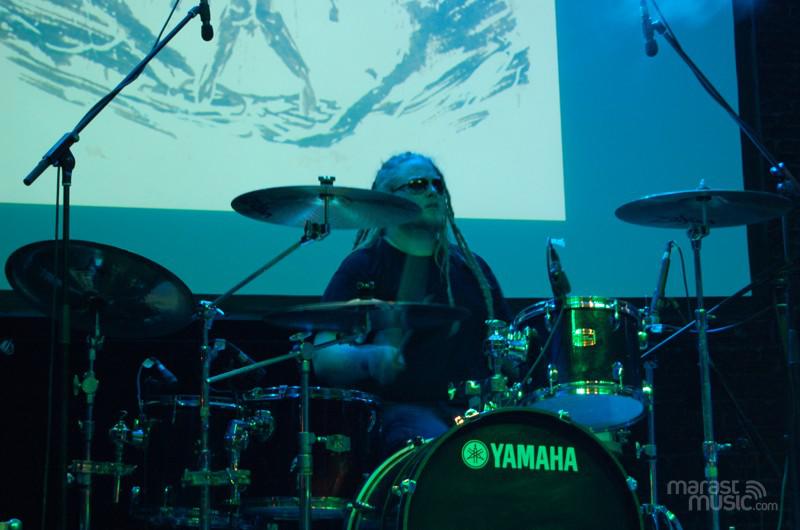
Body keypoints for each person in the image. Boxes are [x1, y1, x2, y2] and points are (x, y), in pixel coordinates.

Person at [313, 152, 511, 456]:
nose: (432, 192)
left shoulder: (473, 269)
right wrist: (370, 357)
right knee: (440, 450)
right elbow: (324, 357)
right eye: (418, 184)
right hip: (401, 414)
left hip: (473, 413)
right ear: (388, 200)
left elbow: (508, 350)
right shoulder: (363, 266)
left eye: (438, 184)